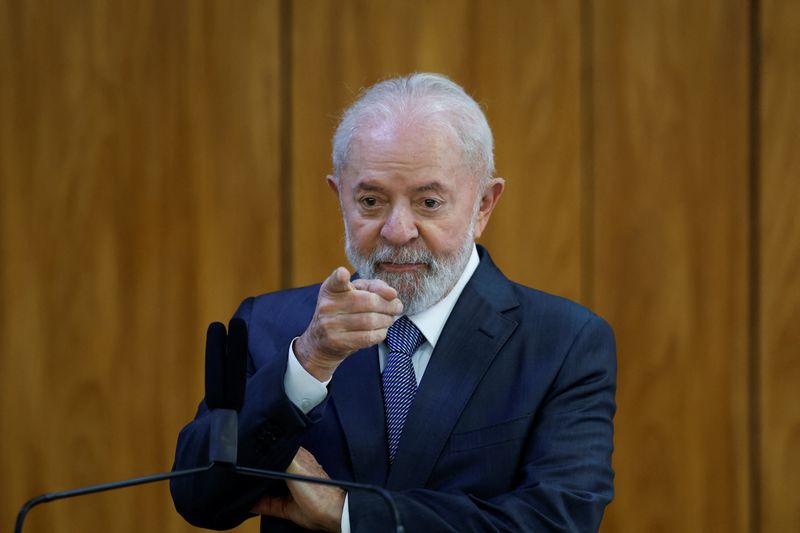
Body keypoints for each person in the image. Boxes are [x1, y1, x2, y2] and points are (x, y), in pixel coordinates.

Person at [171, 72, 616, 532]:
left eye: (428, 202)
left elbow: (558, 521)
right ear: (338, 196)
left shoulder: (564, 343)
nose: (397, 231)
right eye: (370, 201)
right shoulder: (271, 327)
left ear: (484, 204)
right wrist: (308, 363)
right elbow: (199, 498)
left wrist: (349, 515)